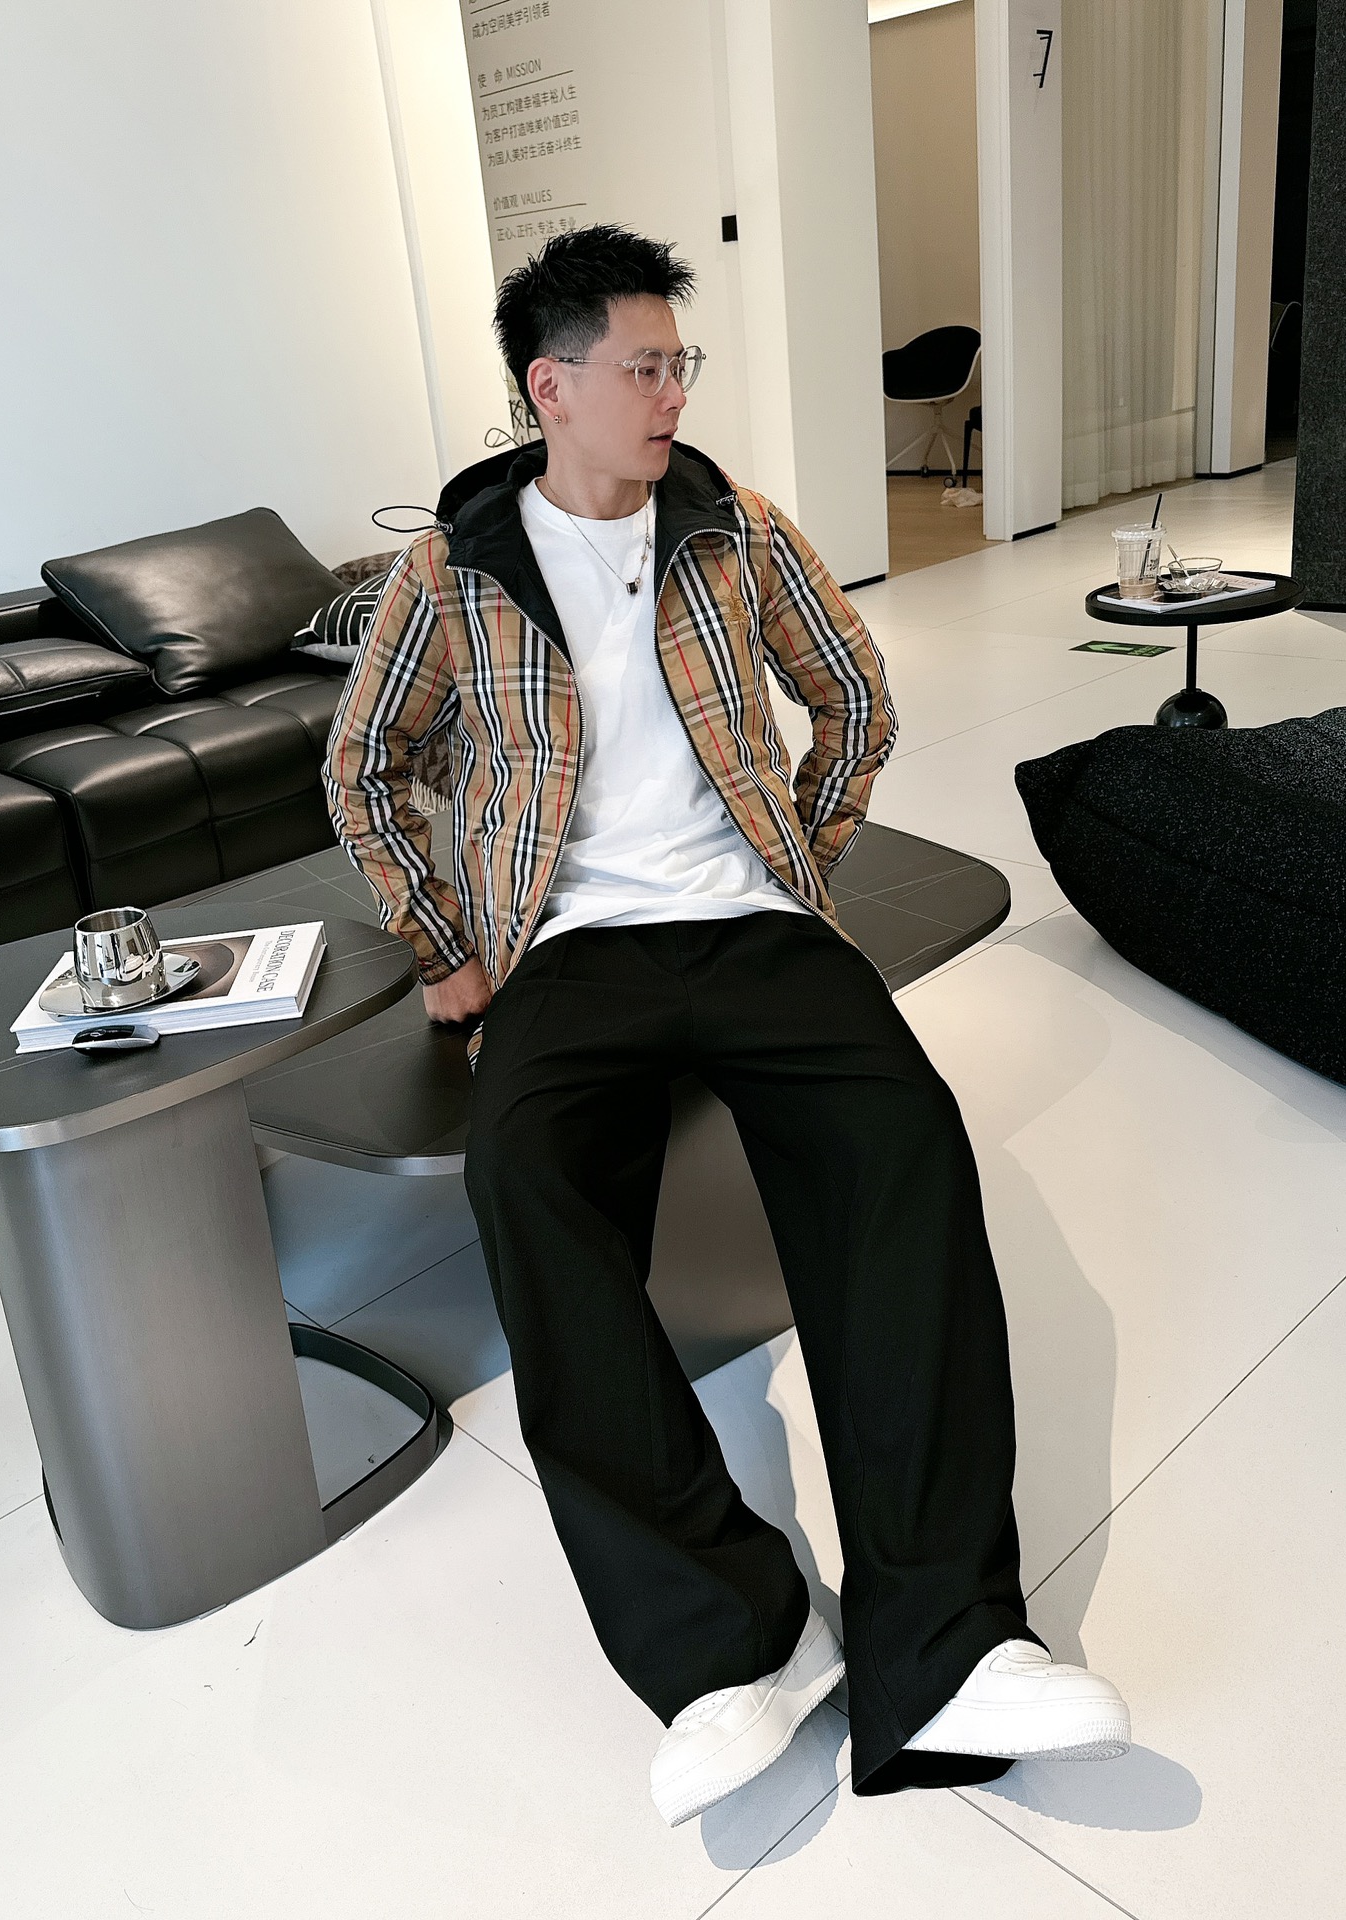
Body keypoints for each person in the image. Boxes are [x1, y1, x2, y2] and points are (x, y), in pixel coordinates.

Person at [325, 224, 1129, 1825]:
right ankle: (732, 1643)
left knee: (903, 1147)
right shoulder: (449, 572)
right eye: (643, 366)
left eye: (678, 363)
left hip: (755, 925)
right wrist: (444, 946)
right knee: (526, 1188)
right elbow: (364, 762)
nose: (671, 392)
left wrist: (795, 860)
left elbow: (855, 696)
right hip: (567, 951)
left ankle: (951, 1643)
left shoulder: (736, 529)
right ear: (550, 388)